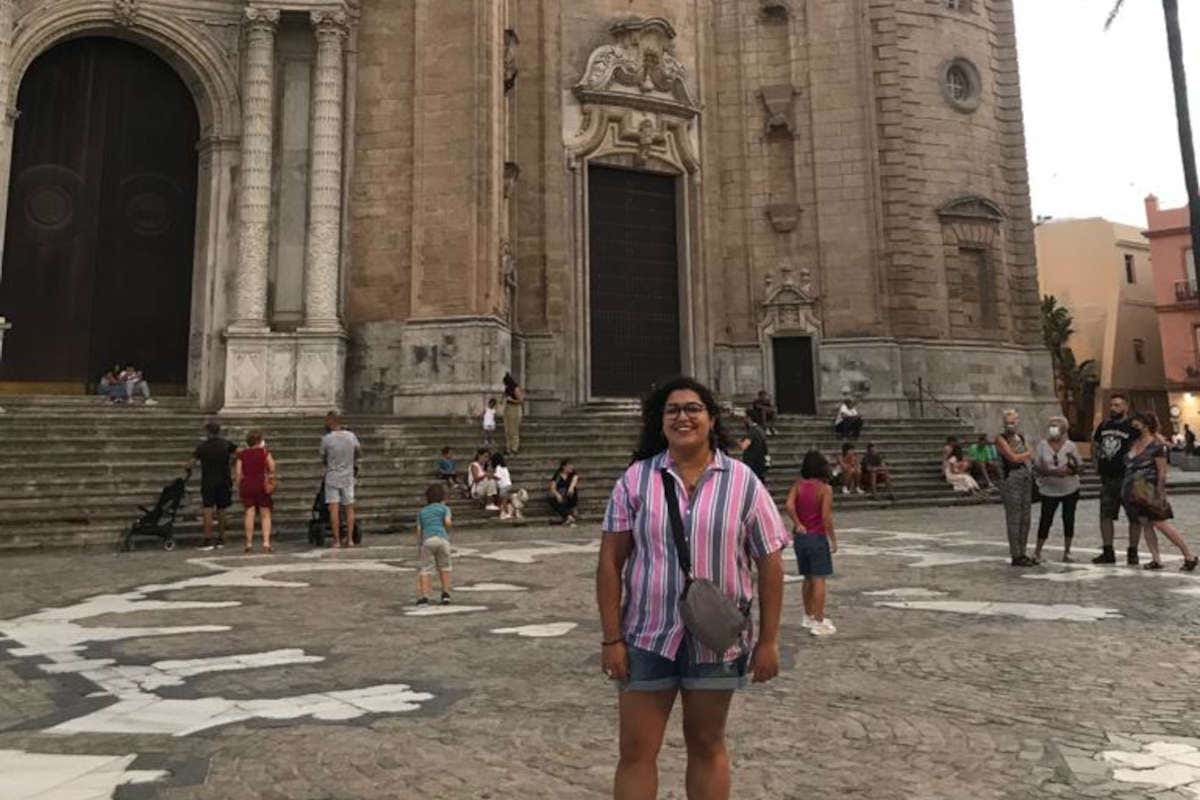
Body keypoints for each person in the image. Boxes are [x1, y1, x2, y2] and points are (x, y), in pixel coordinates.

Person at [597, 377, 789, 800]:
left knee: (707, 744)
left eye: (692, 408)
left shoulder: (743, 482)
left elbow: (770, 562)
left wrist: (769, 641)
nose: (682, 417)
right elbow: (610, 561)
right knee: (635, 750)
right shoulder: (635, 480)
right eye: (672, 410)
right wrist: (611, 638)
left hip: (716, 640)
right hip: (647, 636)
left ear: (711, 418)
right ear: (660, 421)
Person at [1123, 412, 1199, 572]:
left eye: (1137, 423)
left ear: (1145, 424)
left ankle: (1188, 555)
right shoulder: (1134, 443)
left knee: (1160, 523)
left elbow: (1162, 472)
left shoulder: (1157, 446)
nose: (1134, 426)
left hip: (1149, 489)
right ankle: (1155, 559)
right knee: (1146, 524)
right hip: (1133, 490)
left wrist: (1161, 492)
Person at [785, 450, 837, 636]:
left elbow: (789, 505)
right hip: (817, 535)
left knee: (807, 577)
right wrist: (832, 538)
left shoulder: (798, 485)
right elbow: (825, 516)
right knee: (819, 578)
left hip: (801, 537)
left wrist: (797, 523)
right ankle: (819, 618)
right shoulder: (824, 489)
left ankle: (808, 614)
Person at [1091, 393, 1140, 565]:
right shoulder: (1104, 425)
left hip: (1127, 478)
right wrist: (1095, 462)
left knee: (1134, 517)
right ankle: (1107, 551)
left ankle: (1132, 552)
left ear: (1126, 407)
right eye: (1112, 405)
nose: (1113, 408)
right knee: (1105, 515)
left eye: (1118, 405)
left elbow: (1139, 447)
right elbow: (1096, 444)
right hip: (1108, 478)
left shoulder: (1133, 427)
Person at [1032, 416, 1080, 563]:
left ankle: (1067, 551)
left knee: (1068, 519)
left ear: (1064, 429)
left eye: (1056, 426)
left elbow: (1078, 466)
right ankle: (1037, 551)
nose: (1053, 429)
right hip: (1048, 489)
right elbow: (1037, 466)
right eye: (1051, 426)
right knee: (1045, 519)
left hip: (1069, 487)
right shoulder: (1042, 445)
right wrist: (1050, 471)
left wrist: (1070, 469)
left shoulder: (1070, 446)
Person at [188, 421, 237, 550]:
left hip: (208, 480)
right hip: (224, 479)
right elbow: (238, 454)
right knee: (222, 509)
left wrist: (188, 468)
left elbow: (191, 463)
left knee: (208, 508)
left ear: (208, 432)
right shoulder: (226, 444)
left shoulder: (202, 447)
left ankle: (208, 538)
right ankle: (222, 537)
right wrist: (231, 463)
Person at [996, 409, 1036, 566]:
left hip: (1025, 476)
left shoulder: (1021, 437)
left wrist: (1025, 455)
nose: (1010, 425)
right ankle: (1016, 554)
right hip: (1011, 478)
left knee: (1025, 517)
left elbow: (1030, 454)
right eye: (1008, 422)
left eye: (1013, 421)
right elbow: (1012, 457)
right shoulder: (1001, 439)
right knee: (1014, 517)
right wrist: (1025, 454)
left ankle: (1023, 552)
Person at [320, 412, 361, 549]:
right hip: (348, 475)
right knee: (349, 507)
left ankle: (336, 540)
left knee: (334, 509)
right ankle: (350, 539)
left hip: (332, 475)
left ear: (330, 423)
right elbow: (358, 452)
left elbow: (322, 456)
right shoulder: (351, 436)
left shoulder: (327, 439)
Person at [235, 430, 276, 553]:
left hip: (247, 484)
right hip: (261, 483)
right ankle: (266, 542)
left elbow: (238, 473)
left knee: (249, 513)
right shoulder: (264, 453)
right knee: (265, 513)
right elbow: (272, 467)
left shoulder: (242, 455)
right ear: (260, 441)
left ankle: (248, 543)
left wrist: (239, 485)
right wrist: (271, 480)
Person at [416, 484, 454, 605]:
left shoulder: (422, 512)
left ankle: (424, 595)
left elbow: (419, 530)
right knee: (445, 567)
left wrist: (420, 543)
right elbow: (448, 522)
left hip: (428, 540)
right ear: (443, 497)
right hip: (442, 539)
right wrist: (447, 531)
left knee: (425, 569)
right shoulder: (444, 509)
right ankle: (445, 593)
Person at [737, 418, 769, 483]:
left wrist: (738, 443)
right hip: (760, 462)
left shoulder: (752, 431)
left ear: (749, 419)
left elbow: (744, 446)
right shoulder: (760, 430)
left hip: (752, 463)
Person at [549, 459, 579, 525]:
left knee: (572, 491)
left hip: (569, 496)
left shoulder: (573, 474)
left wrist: (571, 488)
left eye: (572, 465)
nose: (572, 467)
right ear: (564, 467)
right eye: (569, 466)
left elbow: (574, 481)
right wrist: (557, 495)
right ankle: (569, 517)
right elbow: (552, 487)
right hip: (561, 496)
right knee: (551, 498)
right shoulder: (557, 475)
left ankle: (572, 510)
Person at [502, 373, 525, 454]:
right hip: (508, 408)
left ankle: (514, 448)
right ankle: (508, 448)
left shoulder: (516, 388)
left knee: (514, 429)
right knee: (507, 429)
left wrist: (511, 400)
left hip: (515, 408)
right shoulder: (507, 389)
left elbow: (521, 400)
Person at [492, 452, 516, 519]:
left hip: (504, 486)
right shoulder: (505, 468)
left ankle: (506, 512)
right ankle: (506, 512)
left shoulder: (498, 467)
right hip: (508, 484)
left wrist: (491, 476)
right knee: (505, 499)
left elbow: (498, 477)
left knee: (503, 501)